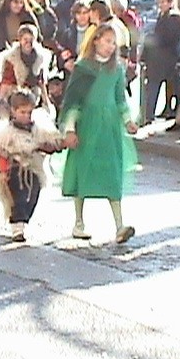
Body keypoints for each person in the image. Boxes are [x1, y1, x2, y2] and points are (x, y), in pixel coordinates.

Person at [59, 23, 138, 243]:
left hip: (109, 128)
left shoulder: (117, 70)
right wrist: (70, 128)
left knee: (113, 172)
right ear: (96, 40)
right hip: (88, 125)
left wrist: (128, 121)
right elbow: (73, 101)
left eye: (114, 43)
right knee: (82, 169)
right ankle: (78, 222)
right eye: (107, 41)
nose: (111, 47)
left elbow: (120, 100)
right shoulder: (83, 68)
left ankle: (119, 225)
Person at [0, 89, 66, 242]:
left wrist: (58, 145)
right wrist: (2, 171)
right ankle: (17, 226)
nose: (26, 116)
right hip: (13, 170)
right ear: (14, 111)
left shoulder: (38, 129)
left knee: (33, 195)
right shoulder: (5, 132)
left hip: (33, 169)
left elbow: (47, 145)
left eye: (29, 112)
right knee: (19, 197)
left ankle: (23, 219)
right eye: (22, 112)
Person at [140, 0, 180, 125]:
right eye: (159, 2)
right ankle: (151, 114)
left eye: (163, 2)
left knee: (157, 86)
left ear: (171, 2)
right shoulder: (165, 17)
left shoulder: (173, 18)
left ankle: (150, 114)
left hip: (165, 58)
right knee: (162, 86)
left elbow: (168, 38)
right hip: (162, 59)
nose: (161, 5)